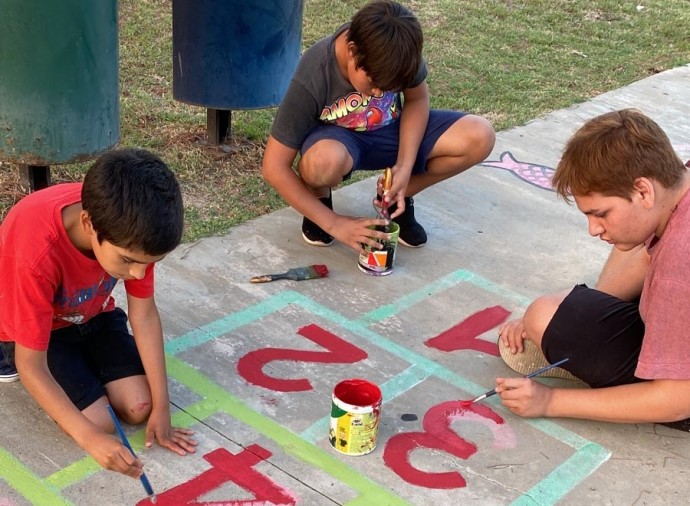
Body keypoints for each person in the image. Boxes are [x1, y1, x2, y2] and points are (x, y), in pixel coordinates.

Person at [0, 148, 197, 478]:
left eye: (149, 264)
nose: (137, 274)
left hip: (91, 315)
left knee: (139, 407)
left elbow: (144, 315)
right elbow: (31, 365)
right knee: (100, 423)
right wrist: (89, 438)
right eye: (128, 261)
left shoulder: (133, 232)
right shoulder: (36, 254)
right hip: (42, 330)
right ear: (88, 224)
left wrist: (163, 407)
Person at [496, 109, 690, 431]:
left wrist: (550, 401)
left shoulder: (678, 266)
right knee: (631, 236)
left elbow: (678, 398)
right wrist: (588, 312)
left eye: (600, 213)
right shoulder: (675, 187)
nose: (593, 229)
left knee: (544, 313)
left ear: (643, 191)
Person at [261, 0, 495, 252]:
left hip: (393, 132)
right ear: (352, 51)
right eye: (373, 83)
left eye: (389, 87)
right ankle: (319, 200)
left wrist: (405, 166)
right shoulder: (314, 73)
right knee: (322, 162)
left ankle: (394, 198)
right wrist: (334, 224)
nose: (378, 92)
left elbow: (417, 98)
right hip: (339, 142)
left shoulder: (399, 51)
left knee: (479, 135)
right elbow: (274, 167)